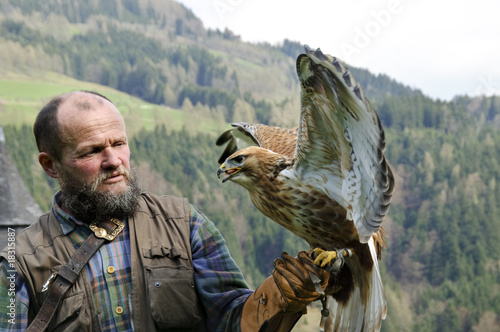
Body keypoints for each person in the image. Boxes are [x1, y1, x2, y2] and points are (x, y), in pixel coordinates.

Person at [0, 90, 330, 331]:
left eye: (119, 143)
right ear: (51, 165)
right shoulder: (20, 262)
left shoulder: (185, 225)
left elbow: (233, 319)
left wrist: (279, 298)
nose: (114, 161)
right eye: (92, 151)